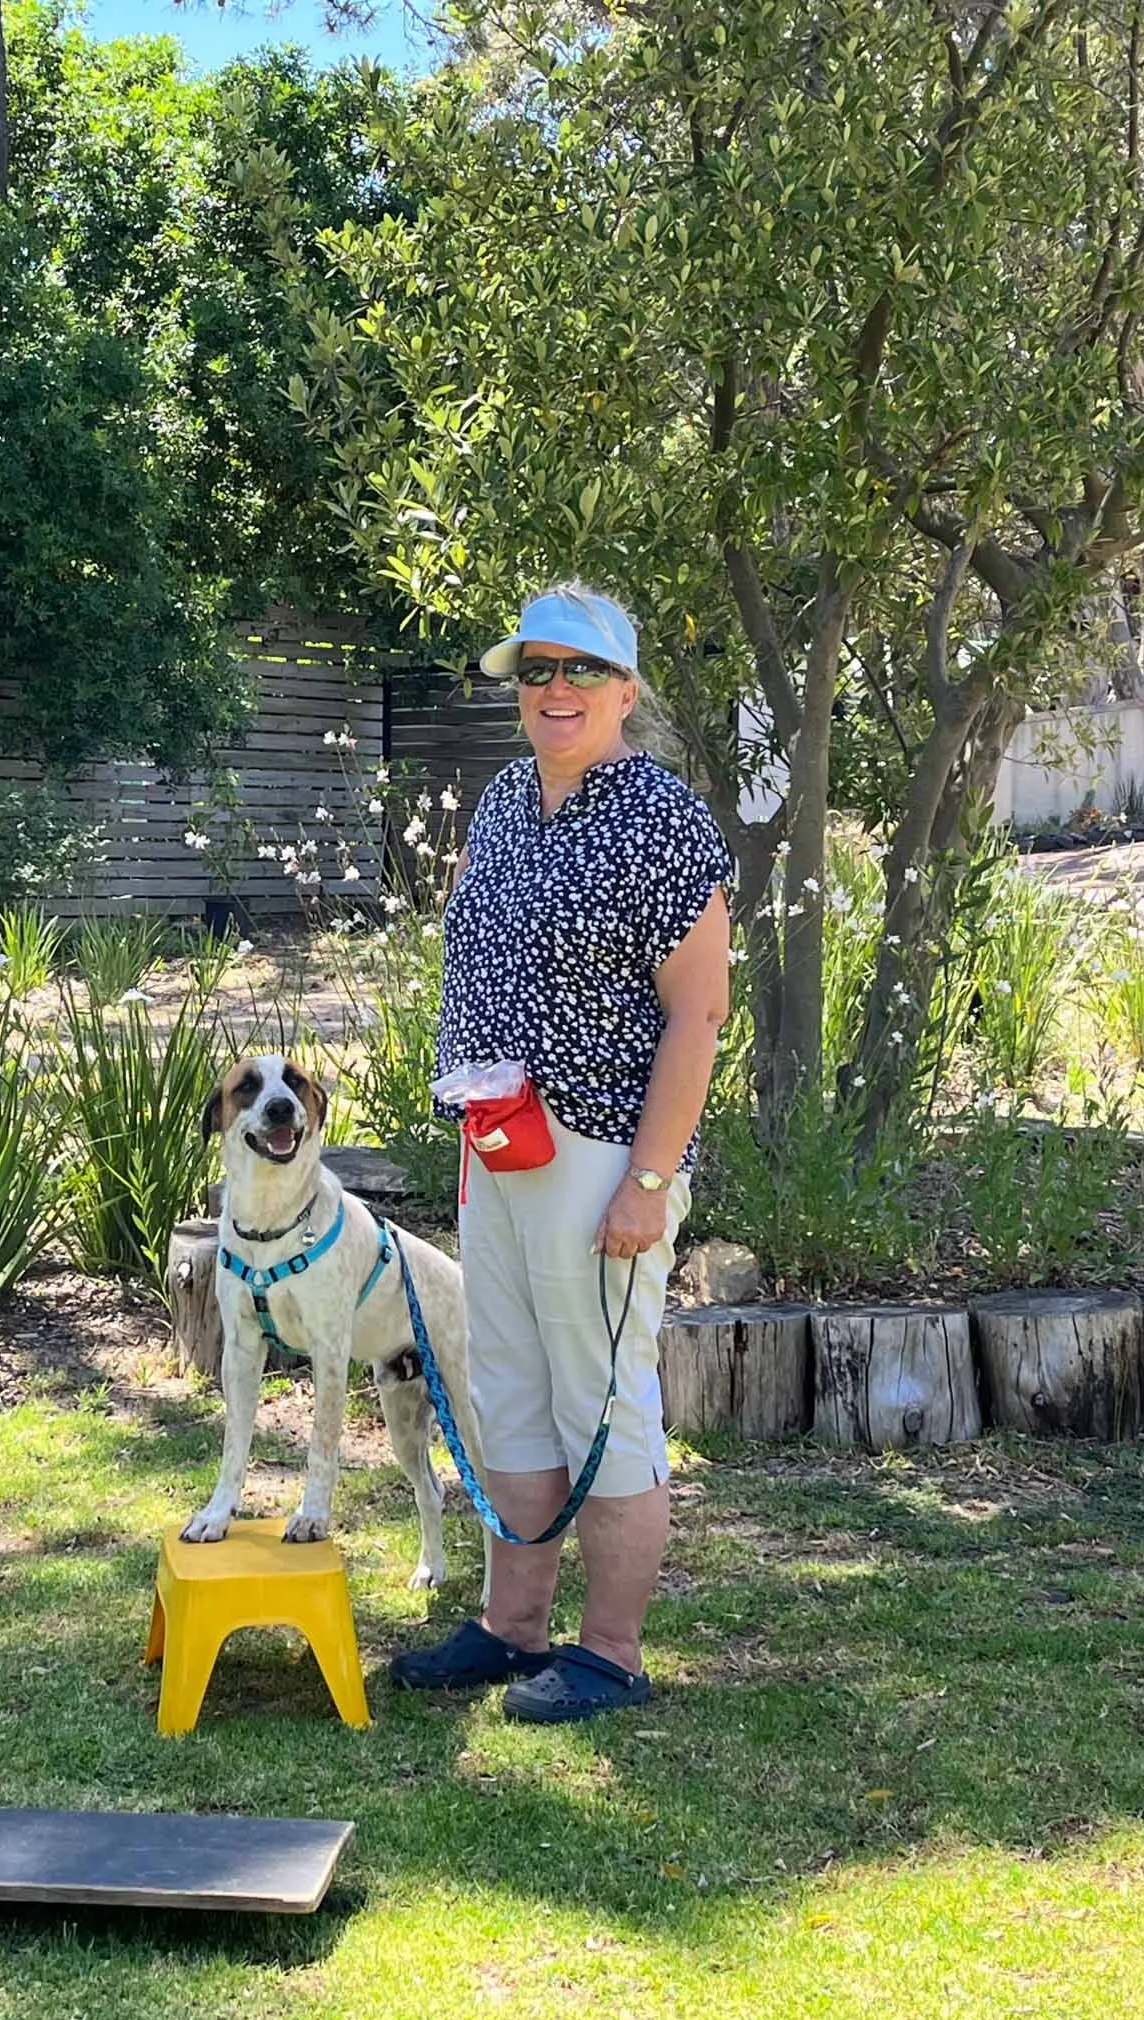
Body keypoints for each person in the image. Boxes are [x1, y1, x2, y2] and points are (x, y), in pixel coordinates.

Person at [388, 582, 734, 1723]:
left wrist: (648, 1179)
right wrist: (469, 1151)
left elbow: (698, 1015)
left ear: (626, 690)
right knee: (514, 1396)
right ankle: (510, 1628)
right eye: (536, 668)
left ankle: (613, 1652)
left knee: (602, 1401)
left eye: (580, 670)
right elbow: (481, 985)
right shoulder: (500, 806)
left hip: (602, 1156)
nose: (554, 689)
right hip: (500, 1150)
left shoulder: (666, 821)